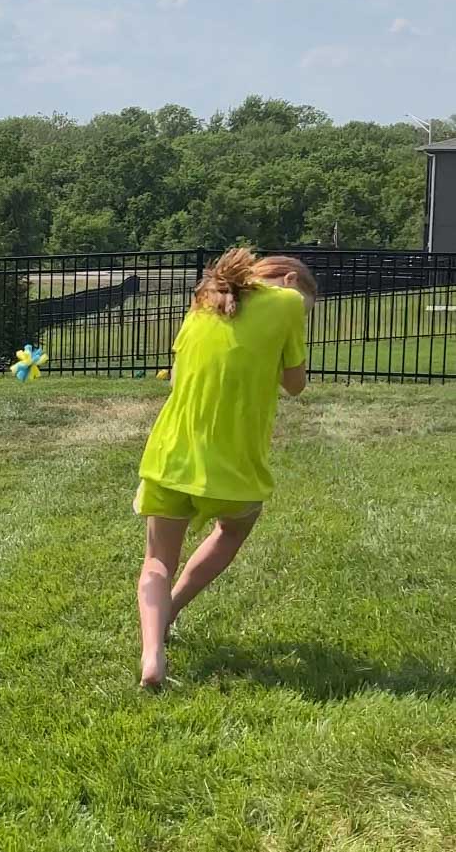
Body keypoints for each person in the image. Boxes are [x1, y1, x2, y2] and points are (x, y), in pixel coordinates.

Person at [134, 248, 317, 688]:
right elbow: (295, 386)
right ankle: (174, 608)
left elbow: (178, 379)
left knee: (157, 560)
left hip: (170, 456)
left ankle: (153, 653)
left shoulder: (204, 301)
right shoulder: (288, 303)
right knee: (233, 529)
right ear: (290, 282)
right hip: (234, 463)